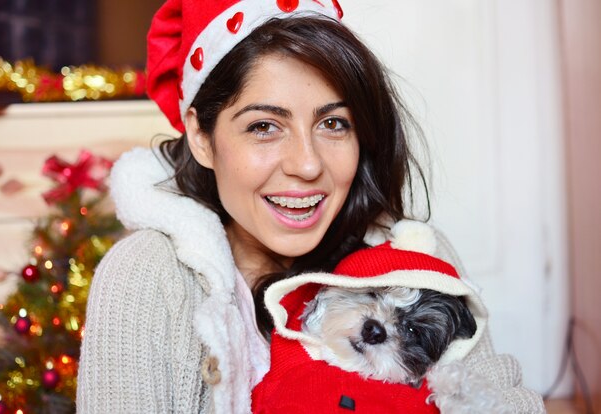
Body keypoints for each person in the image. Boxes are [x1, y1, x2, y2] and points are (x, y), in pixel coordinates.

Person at [76, 0, 545, 413]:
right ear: (201, 137)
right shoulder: (146, 278)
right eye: (263, 126)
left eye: (334, 123)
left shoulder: (415, 257)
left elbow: (499, 398)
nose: (307, 164)